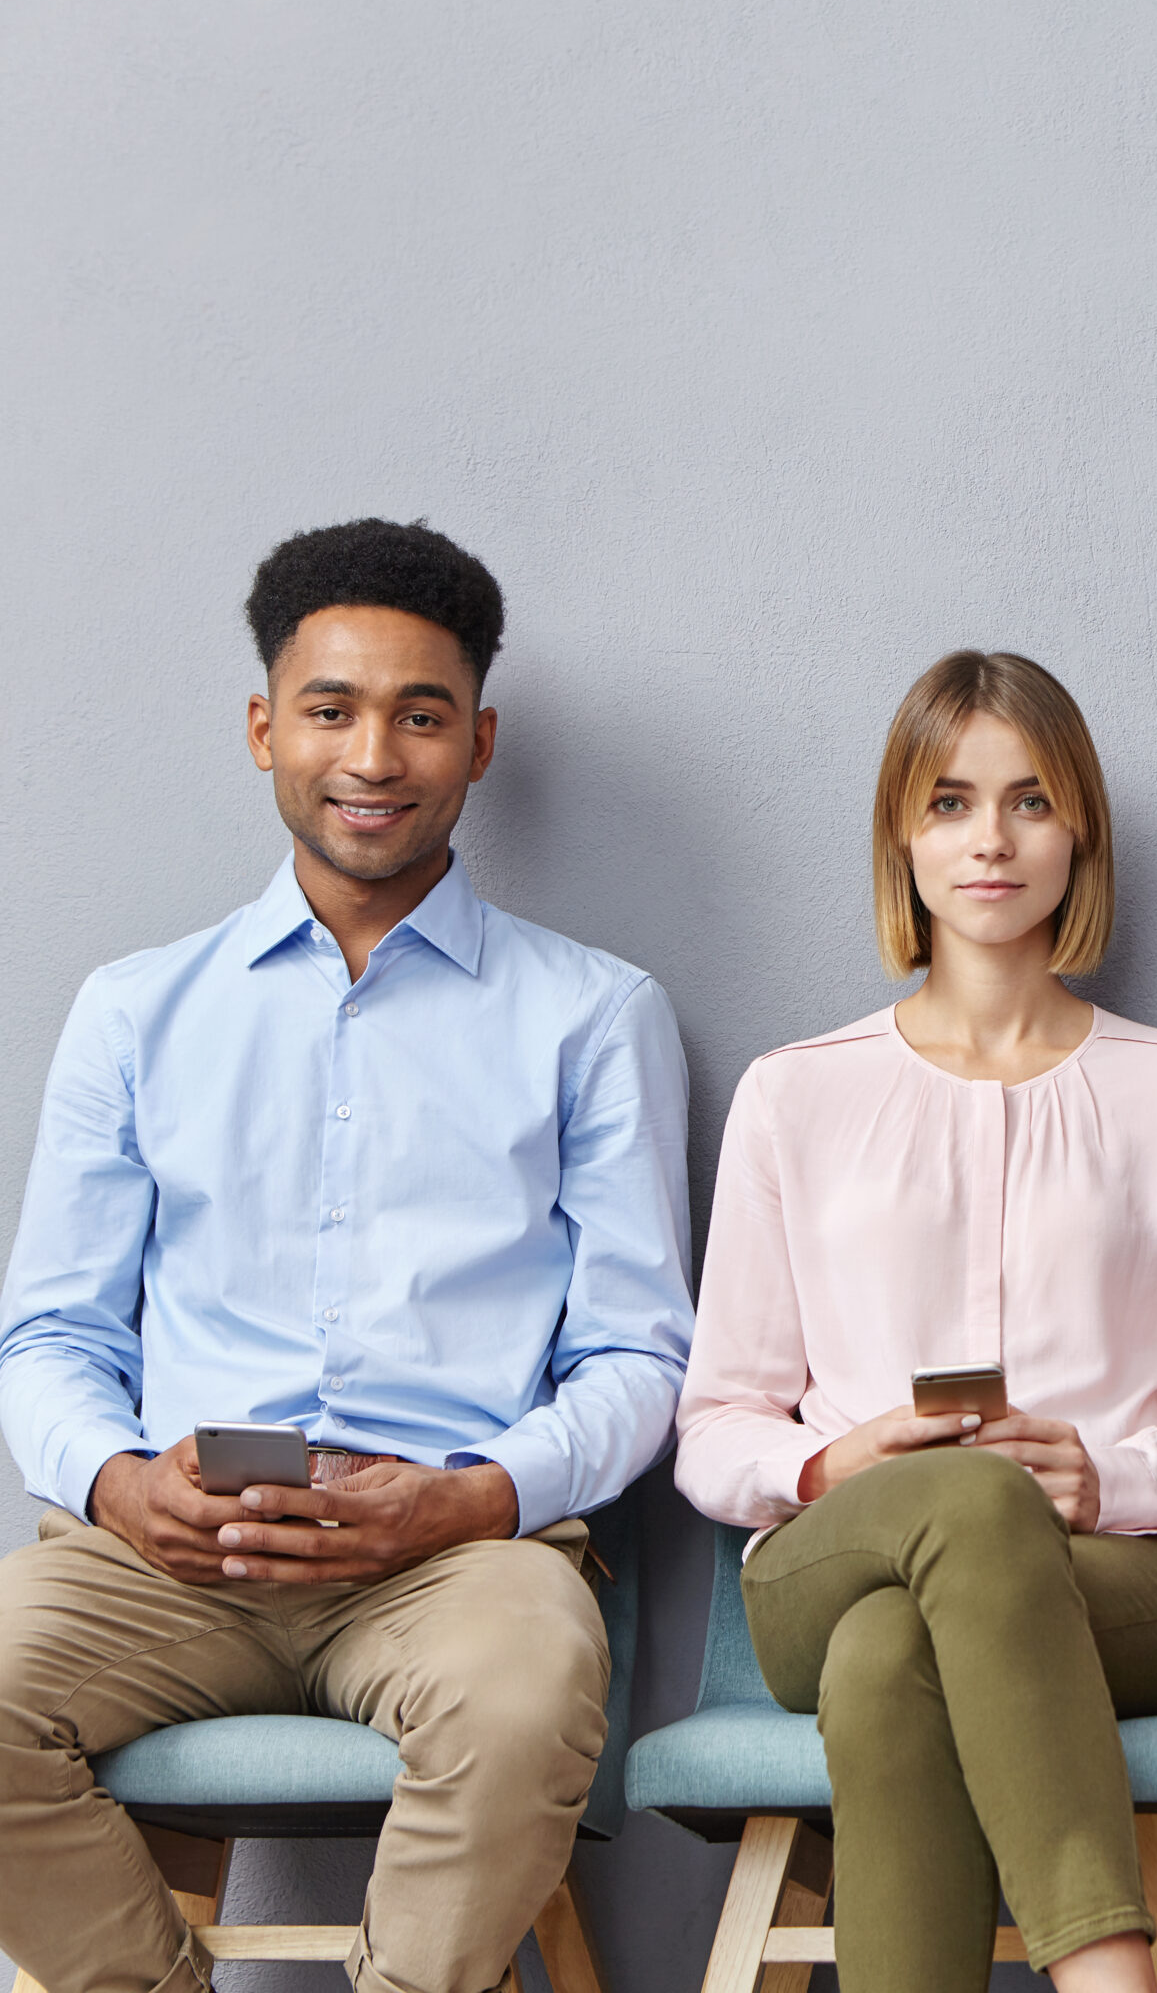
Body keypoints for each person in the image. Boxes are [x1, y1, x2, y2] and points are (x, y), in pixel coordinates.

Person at [0, 519, 693, 1993]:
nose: (373, 754)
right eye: (331, 709)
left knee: (523, 1702)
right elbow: (49, 1336)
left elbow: (641, 1356)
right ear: (266, 729)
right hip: (166, 1554)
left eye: (419, 714)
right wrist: (122, 1485)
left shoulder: (593, 1015)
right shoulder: (134, 1012)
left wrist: (472, 1499)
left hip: (456, 1558)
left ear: (479, 742)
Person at [674, 649, 1157, 1993]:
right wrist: (831, 1468)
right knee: (952, 1512)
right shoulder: (797, 1095)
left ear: (1081, 832)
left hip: (1125, 1575)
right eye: (950, 802)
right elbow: (714, 1425)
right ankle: (1107, 1975)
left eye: (1030, 801)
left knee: (893, 1649)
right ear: (903, 832)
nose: (992, 840)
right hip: (824, 1558)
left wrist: (1110, 1474)